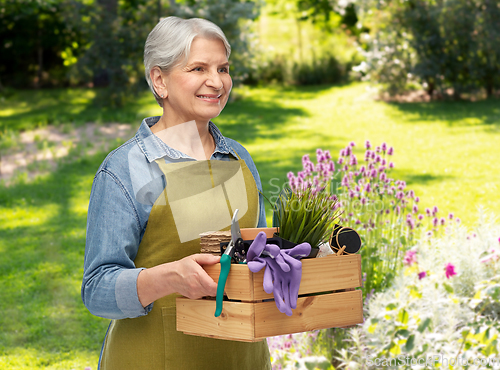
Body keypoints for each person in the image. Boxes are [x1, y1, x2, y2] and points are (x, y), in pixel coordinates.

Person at [82, 16, 271, 369]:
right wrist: (167, 277)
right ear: (160, 80)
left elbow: (255, 257)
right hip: (154, 358)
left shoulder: (239, 159)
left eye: (223, 68)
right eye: (198, 68)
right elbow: (97, 289)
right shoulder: (126, 168)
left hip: (242, 359)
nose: (216, 82)